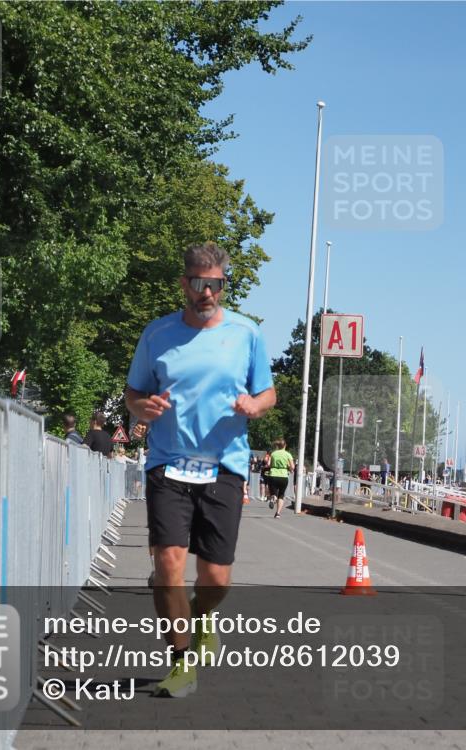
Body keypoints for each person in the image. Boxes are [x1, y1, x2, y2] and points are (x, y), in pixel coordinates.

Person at [124, 241, 275, 698]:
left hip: (224, 467)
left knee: (215, 579)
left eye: (214, 284)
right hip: (168, 464)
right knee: (168, 566)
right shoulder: (157, 334)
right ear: (183, 283)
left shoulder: (247, 334)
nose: (205, 292)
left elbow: (268, 394)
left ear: (223, 284)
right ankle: (182, 662)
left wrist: (254, 405)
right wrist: (142, 408)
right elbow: (133, 394)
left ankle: (202, 614)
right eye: (196, 282)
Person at [266, 438, 294, 518]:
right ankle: (278, 513)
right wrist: (289, 468)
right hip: (283, 476)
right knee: (281, 495)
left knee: (273, 492)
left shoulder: (273, 453)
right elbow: (292, 467)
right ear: (285, 445)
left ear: (278, 446)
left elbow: (269, 464)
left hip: (273, 475)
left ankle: (273, 498)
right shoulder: (288, 454)